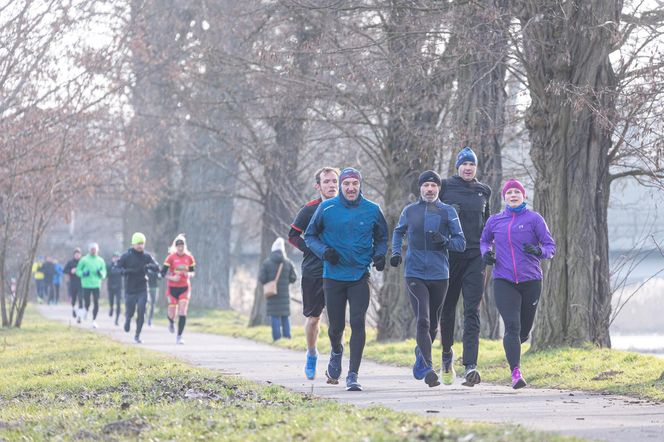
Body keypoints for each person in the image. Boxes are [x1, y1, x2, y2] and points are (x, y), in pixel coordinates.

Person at [305, 167, 388, 392]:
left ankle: (353, 374)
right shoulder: (326, 207)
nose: (351, 188)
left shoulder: (372, 210)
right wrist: (323, 252)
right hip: (332, 275)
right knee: (336, 327)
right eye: (346, 184)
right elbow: (310, 236)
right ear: (341, 186)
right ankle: (336, 351)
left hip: (359, 274)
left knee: (358, 322)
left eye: (354, 183)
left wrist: (380, 255)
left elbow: (382, 237)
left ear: (360, 185)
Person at [391, 170, 466, 388]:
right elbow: (398, 232)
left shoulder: (448, 211)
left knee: (433, 324)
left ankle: (420, 353)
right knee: (422, 320)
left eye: (434, 186)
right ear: (420, 188)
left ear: (439, 189)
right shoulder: (410, 210)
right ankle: (427, 367)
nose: (430, 189)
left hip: (440, 273)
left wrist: (445, 241)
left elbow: (460, 243)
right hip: (414, 272)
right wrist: (396, 253)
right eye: (426, 186)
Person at [480, 178, 555, 389]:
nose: (513, 195)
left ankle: (514, 345)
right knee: (511, 325)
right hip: (503, 280)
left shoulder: (534, 219)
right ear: (504, 197)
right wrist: (486, 254)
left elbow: (550, 246)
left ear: (524, 196)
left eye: (517, 192)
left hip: (531, 280)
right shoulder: (495, 221)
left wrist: (539, 251)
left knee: (523, 331)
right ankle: (516, 373)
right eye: (509, 192)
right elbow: (484, 241)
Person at [438, 146, 492, 386]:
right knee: (447, 309)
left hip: (474, 258)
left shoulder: (484, 191)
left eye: (472, 164)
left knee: (472, 310)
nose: (468, 167)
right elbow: (432, 215)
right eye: (465, 163)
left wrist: (489, 251)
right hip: (450, 256)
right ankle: (447, 355)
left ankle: (471, 365)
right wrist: (448, 215)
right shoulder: (445, 187)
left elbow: (487, 227)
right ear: (457, 166)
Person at [288, 166, 339, 380]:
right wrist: (314, 250)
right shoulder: (309, 209)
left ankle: (335, 360)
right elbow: (293, 236)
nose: (331, 185)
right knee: (313, 319)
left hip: (338, 271)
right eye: (327, 182)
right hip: (313, 271)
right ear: (318, 186)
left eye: (334, 181)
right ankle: (311, 354)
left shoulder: (345, 208)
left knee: (337, 320)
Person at [118, 232, 160, 344]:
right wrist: (125, 271)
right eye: (138, 243)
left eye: (142, 243)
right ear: (133, 244)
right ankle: (127, 319)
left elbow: (157, 267)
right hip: (130, 289)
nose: (140, 246)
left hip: (142, 288)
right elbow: (117, 268)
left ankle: (137, 335)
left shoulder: (146, 256)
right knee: (130, 312)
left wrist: (150, 266)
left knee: (141, 311)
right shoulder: (126, 256)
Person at [259, 238, 297, 342]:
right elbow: (294, 278)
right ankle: (287, 337)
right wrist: (286, 282)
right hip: (284, 295)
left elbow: (261, 278)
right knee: (285, 316)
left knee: (274, 316)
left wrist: (269, 282)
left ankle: (276, 339)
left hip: (272, 294)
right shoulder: (288, 263)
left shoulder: (266, 263)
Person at [161, 235, 195, 344]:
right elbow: (162, 273)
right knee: (172, 313)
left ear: (185, 246)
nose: (180, 248)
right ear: (175, 247)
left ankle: (179, 336)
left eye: (182, 245)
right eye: (178, 246)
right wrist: (172, 278)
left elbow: (193, 272)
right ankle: (171, 321)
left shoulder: (189, 257)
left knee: (182, 311)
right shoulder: (170, 258)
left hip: (184, 287)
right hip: (172, 288)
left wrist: (188, 274)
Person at [76, 243, 107, 328]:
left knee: (96, 302)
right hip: (86, 284)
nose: (93, 251)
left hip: (96, 284)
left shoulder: (100, 260)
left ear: (97, 250)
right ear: (89, 250)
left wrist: (100, 273)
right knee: (87, 302)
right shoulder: (84, 260)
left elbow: (104, 272)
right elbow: (78, 271)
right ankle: (85, 311)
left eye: (95, 249)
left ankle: (94, 320)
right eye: (92, 249)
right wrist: (83, 273)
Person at [63, 248, 83, 322]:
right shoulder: (70, 262)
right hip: (72, 283)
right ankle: (74, 309)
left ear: (80, 255)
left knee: (81, 299)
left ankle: (79, 317)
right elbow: (64, 270)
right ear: (74, 255)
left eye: (78, 254)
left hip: (81, 283)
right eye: (76, 254)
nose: (77, 255)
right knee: (73, 300)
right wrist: (71, 271)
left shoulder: (82, 262)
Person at [107, 252, 123, 325]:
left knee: (118, 303)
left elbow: (123, 272)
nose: (116, 259)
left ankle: (117, 319)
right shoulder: (109, 265)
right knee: (111, 301)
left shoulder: (121, 266)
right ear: (112, 258)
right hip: (111, 286)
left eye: (117, 257)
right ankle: (111, 308)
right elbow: (107, 273)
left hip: (119, 287)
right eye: (115, 257)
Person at [147, 252, 160, 327]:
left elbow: (159, 276)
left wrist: (156, 275)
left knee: (153, 303)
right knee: (147, 302)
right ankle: (144, 314)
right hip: (146, 286)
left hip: (154, 287)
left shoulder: (156, 265)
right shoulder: (145, 265)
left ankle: (150, 319)